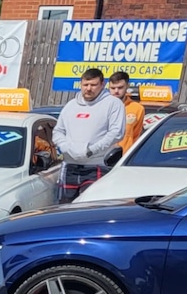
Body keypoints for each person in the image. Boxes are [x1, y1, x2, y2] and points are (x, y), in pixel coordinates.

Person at [53, 68, 126, 202]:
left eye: (93, 85)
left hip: (96, 165)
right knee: (63, 209)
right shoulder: (71, 105)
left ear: (102, 85)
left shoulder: (113, 104)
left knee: (89, 208)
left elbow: (116, 133)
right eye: (85, 85)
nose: (88, 89)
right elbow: (58, 131)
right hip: (70, 165)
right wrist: (65, 147)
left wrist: (91, 150)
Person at [107, 71, 145, 157]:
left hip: (124, 158)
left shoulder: (137, 109)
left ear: (127, 86)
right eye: (113, 88)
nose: (116, 91)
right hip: (101, 159)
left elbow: (135, 136)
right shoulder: (101, 107)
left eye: (120, 88)